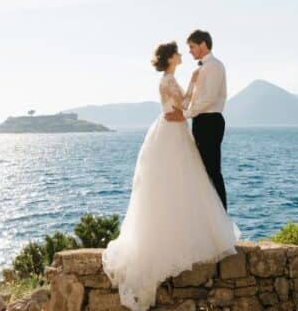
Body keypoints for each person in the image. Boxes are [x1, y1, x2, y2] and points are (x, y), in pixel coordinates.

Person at [102, 40, 238, 311]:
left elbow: (181, 108)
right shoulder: (169, 81)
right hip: (172, 132)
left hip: (171, 131)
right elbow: (183, 106)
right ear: (170, 58)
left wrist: (192, 87)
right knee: (179, 182)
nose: (181, 55)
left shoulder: (168, 79)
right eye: (177, 53)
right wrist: (194, 82)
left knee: (180, 184)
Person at [164, 29, 228, 209]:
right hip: (200, 122)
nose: (190, 51)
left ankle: (221, 218)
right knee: (203, 172)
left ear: (203, 45)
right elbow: (194, 99)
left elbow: (209, 99)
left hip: (210, 122)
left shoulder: (215, 66)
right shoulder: (200, 69)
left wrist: (183, 115)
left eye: (192, 47)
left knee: (213, 172)